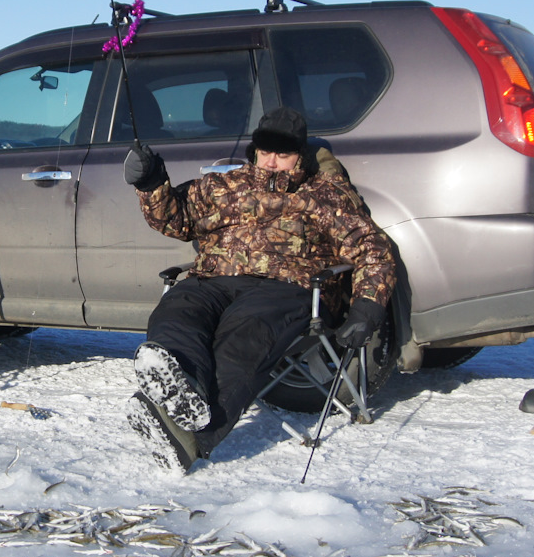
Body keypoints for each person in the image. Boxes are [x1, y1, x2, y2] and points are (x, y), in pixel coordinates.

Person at [123, 106, 398, 472]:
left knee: (244, 338)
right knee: (178, 310)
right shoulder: (225, 184)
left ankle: (189, 438)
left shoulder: (324, 194)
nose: (271, 162)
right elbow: (176, 217)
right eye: (265, 152)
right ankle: (184, 381)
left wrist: (367, 305)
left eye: (282, 155)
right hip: (213, 278)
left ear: (299, 155)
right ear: (255, 151)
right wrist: (151, 182)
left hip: (286, 287)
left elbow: (372, 249)